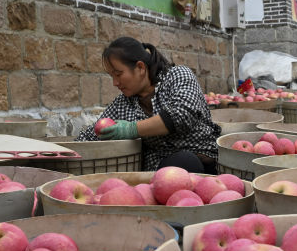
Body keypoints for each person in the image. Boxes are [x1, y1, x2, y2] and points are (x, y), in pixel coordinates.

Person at [76, 37, 221, 173]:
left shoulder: (177, 76)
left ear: (140, 67)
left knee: (184, 162)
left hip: (201, 163)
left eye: (118, 74)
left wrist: (131, 129)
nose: (115, 83)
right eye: (111, 76)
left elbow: (180, 116)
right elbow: (90, 136)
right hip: (158, 175)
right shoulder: (124, 103)